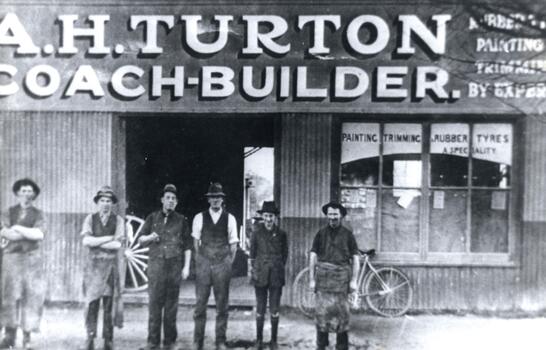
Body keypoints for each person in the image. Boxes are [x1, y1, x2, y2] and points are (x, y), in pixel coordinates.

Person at [138, 184, 192, 350]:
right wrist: (150, 237)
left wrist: (186, 267)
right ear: (162, 200)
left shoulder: (182, 220)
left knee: (171, 307)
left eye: (173, 199)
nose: (170, 201)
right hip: (155, 267)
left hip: (174, 268)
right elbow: (140, 239)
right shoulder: (152, 218)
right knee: (154, 305)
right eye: (167, 198)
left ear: (176, 202)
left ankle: (169, 342)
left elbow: (188, 246)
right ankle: (152, 342)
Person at [0, 178, 46, 350]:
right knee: (9, 297)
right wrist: (26, 232)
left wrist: (17, 228)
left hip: (31, 260)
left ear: (34, 194)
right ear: (17, 193)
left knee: (31, 297)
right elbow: (6, 233)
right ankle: (9, 336)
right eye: (23, 190)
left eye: (30, 191)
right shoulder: (7, 212)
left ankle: (27, 338)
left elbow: (39, 235)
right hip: (11, 259)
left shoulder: (39, 214)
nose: (26, 194)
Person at [192, 182, 238, 350]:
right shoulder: (199, 217)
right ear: (208, 200)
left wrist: (226, 263)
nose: (215, 200)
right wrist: (202, 261)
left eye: (218, 197)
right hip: (204, 263)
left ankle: (220, 340)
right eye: (213, 197)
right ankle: (198, 341)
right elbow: (196, 243)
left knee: (222, 305)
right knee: (200, 304)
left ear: (222, 199)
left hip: (222, 265)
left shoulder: (230, 218)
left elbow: (233, 246)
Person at [309, 202, 359, 350]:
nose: (332, 217)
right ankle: (321, 345)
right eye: (330, 214)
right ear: (327, 215)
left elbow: (355, 258)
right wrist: (312, 279)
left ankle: (341, 346)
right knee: (321, 315)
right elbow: (313, 255)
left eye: (335, 214)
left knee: (342, 317)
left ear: (341, 215)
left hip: (342, 280)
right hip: (323, 280)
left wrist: (354, 281)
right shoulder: (320, 233)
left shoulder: (348, 234)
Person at [81, 186, 125, 350]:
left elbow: (117, 244)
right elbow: (86, 241)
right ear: (97, 203)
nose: (106, 204)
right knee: (92, 304)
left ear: (112, 204)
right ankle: (90, 337)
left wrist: (97, 240)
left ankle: (108, 339)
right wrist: (107, 238)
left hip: (109, 268)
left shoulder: (118, 220)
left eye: (109, 201)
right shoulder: (90, 219)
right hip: (93, 268)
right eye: (102, 201)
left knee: (108, 306)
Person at [249, 201, 288, 350]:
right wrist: (255, 270)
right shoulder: (256, 232)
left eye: (271, 216)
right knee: (260, 308)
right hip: (260, 275)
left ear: (275, 217)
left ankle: (273, 341)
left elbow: (285, 254)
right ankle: (259, 340)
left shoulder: (282, 234)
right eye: (266, 216)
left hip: (276, 276)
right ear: (262, 216)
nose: (268, 219)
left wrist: (276, 265)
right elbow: (252, 255)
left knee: (274, 309)